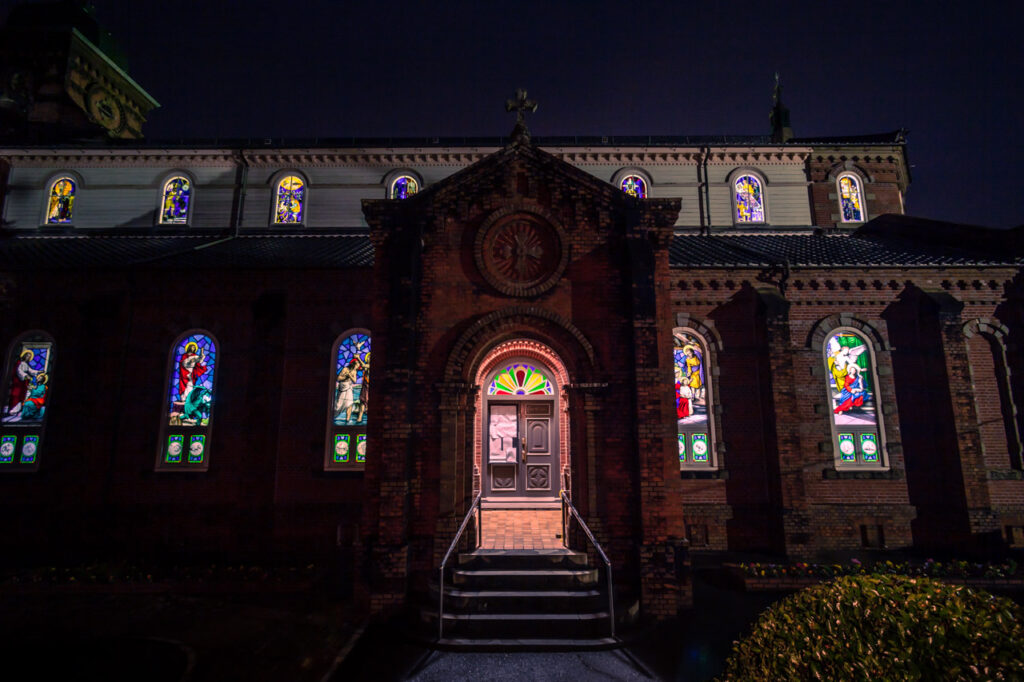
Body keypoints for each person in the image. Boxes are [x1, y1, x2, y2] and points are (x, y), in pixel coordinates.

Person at [6, 349, 41, 419]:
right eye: (27, 356)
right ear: (24, 356)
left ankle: (18, 410)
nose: (28, 357)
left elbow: (30, 370)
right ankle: (12, 410)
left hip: (23, 382)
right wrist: (25, 376)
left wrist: (38, 371)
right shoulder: (20, 363)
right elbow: (19, 371)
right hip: (18, 383)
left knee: (22, 396)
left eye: (29, 356)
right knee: (16, 395)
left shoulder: (26, 364)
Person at [335, 355, 365, 424]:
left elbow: (354, 380)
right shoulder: (345, 369)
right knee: (338, 405)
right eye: (358, 364)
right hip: (342, 387)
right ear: (354, 364)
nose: (358, 365)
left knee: (350, 403)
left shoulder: (354, 371)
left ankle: (347, 419)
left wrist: (349, 375)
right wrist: (345, 376)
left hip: (349, 387)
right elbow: (338, 378)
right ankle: (335, 415)